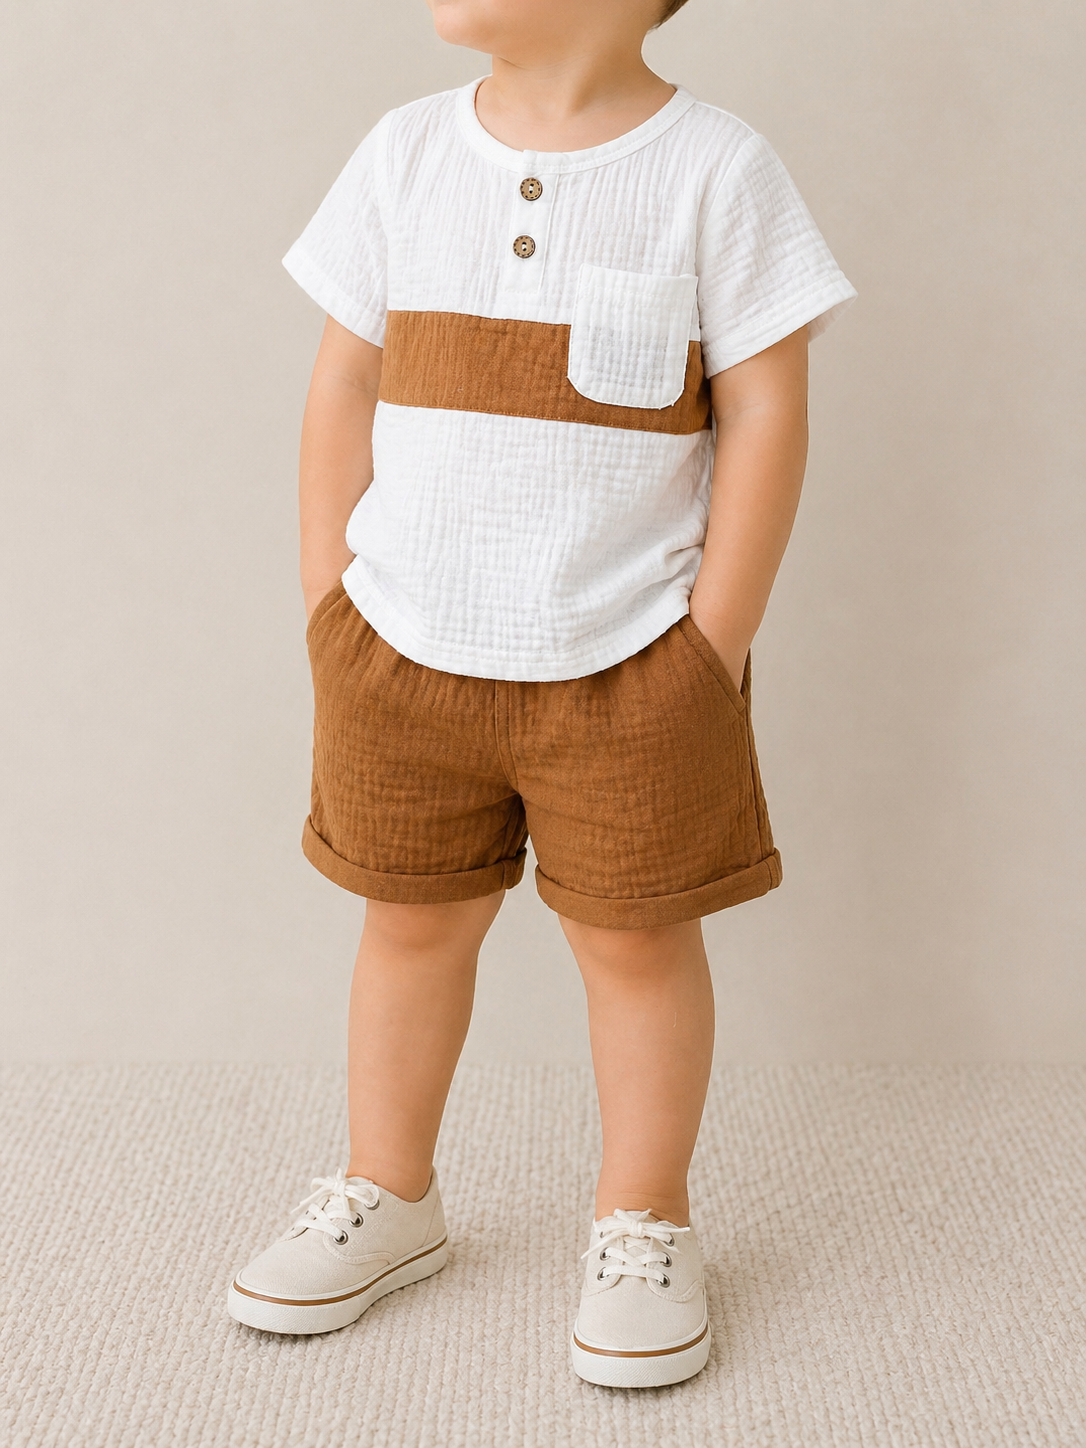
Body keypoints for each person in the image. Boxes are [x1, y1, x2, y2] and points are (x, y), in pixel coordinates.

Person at [227, 0, 855, 1388]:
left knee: (633, 945)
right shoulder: (402, 153)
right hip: (399, 648)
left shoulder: (714, 169)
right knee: (408, 926)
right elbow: (343, 379)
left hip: (628, 661)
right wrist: (328, 599)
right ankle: (387, 1190)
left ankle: (643, 1218)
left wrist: (713, 641)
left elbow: (764, 405)